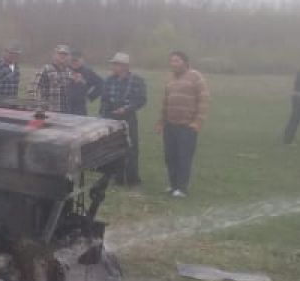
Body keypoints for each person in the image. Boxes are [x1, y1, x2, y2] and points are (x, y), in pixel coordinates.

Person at [157, 50, 210, 198]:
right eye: (171, 61)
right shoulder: (170, 80)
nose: (173, 64)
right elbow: (165, 102)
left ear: (185, 62)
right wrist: (161, 121)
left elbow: (204, 99)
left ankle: (182, 188)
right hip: (170, 126)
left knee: (184, 157)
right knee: (170, 157)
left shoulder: (196, 77)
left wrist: (198, 121)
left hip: (187, 126)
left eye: (176, 60)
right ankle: (173, 185)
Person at [100, 52, 147, 185]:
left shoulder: (137, 80)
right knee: (114, 147)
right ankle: (117, 177)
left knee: (131, 148)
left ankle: (132, 179)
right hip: (110, 117)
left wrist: (126, 109)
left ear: (125, 66)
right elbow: (104, 99)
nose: (113, 66)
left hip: (128, 117)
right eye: (113, 64)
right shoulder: (109, 80)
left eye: (116, 64)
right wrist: (104, 114)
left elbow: (141, 99)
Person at [32, 45, 76, 112]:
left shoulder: (69, 71)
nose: (62, 56)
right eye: (60, 54)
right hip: (49, 111)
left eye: (65, 54)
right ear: (54, 55)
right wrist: (36, 106)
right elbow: (33, 88)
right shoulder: (45, 69)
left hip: (65, 112)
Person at [66, 48, 104, 115]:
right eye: (72, 61)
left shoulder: (87, 72)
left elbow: (102, 84)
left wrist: (90, 96)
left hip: (80, 108)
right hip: (65, 106)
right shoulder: (65, 69)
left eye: (76, 60)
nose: (74, 63)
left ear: (82, 60)